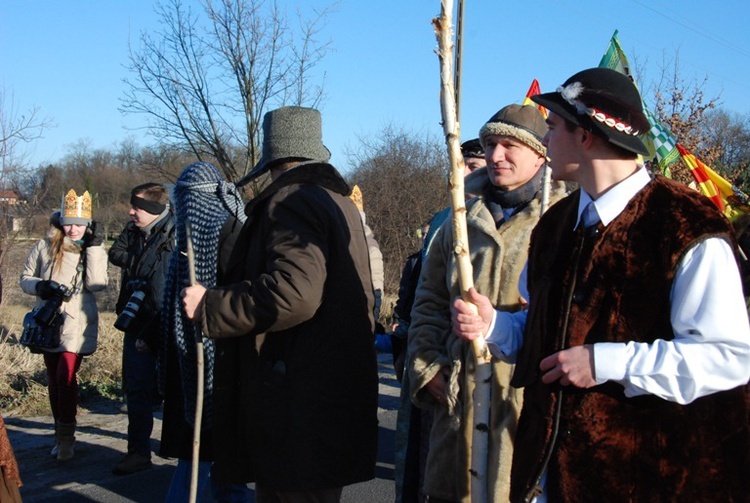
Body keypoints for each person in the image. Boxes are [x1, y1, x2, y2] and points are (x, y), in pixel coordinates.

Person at [451, 68, 750, 502]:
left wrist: (606, 362)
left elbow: (727, 356)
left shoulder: (686, 226)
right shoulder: (554, 226)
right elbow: (545, 338)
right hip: (548, 475)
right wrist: (494, 325)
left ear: (586, 135)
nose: (547, 142)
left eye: (553, 128)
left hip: (649, 480)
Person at [182, 106, 379, 502]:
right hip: (323, 395)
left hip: (300, 401)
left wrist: (210, 305)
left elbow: (295, 294)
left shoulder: (293, 199)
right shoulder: (335, 201)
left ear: (272, 158)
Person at [407, 104, 568, 503]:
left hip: (523, 407)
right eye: (491, 144)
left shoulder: (561, 219)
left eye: (509, 145)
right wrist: (428, 368)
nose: (496, 155)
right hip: (459, 405)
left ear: (539, 153)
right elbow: (428, 300)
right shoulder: (461, 217)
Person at [160, 161, 252, 501]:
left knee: (216, 470)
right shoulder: (189, 239)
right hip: (191, 367)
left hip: (218, 369)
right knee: (211, 466)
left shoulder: (228, 233)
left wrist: (208, 307)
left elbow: (242, 300)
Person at [20, 190, 108, 462]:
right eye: (69, 223)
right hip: (48, 320)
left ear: (88, 225)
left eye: (79, 224)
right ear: (60, 221)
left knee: (65, 376)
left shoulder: (91, 247)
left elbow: (97, 284)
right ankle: (60, 433)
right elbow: (25, 279)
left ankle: (67, 438)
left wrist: (94, 248)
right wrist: (41, 286)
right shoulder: (44, 246)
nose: (73, 229)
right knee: (53, 379)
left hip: (77, 322)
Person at [109, 183, 175, 475]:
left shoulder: (176, 234)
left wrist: (153, 332)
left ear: (154, 210)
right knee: (136, 389)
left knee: (174, 389)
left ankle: (180, 450)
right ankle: (138, 452)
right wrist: (138, 261)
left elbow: (166, 288)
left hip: (165, 321)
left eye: (137, 206)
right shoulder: (134, 232)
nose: (131, 211)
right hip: (135, 318)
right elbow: (115, 253)